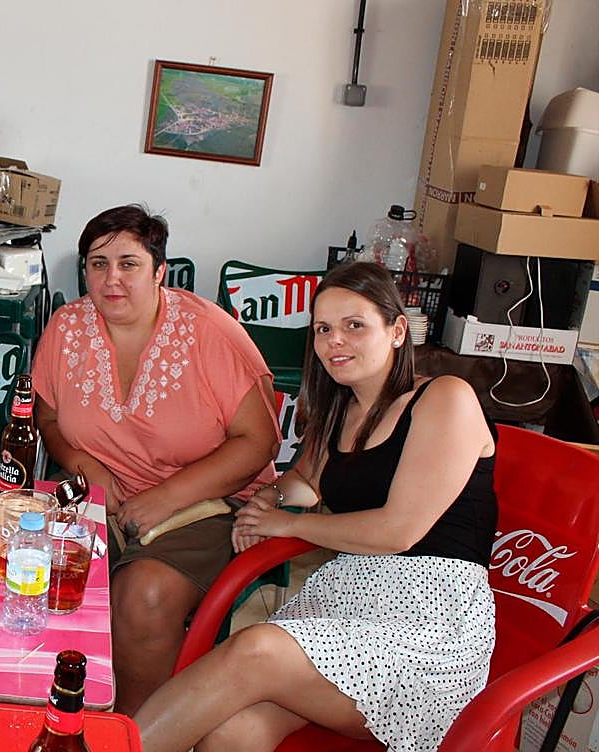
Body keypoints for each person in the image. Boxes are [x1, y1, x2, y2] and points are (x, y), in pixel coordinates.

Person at [134, 262, 498, 752]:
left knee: (256, 647)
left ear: (397, 331)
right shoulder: (342, 411)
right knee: (234, 732)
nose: (335, 341)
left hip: (428, 628)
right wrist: (270, 498)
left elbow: (397, 532)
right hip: (350, 603)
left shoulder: (445, 397)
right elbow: (306, 480)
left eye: (354, 325)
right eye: (323, 329)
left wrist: (285, 524)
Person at [30, 205, 281, 715]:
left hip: (204, 499)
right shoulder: (67, 326)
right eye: (98, 264)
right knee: (36, 565)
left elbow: (259, 442)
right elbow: (47, 417)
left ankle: (133, 731)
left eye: (129, 264)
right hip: (96, 491)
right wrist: (82, 465)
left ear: (159, 271)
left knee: (142, 595)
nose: (112, 279)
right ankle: (48, 708)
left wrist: (165, 497)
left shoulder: (208, 331)